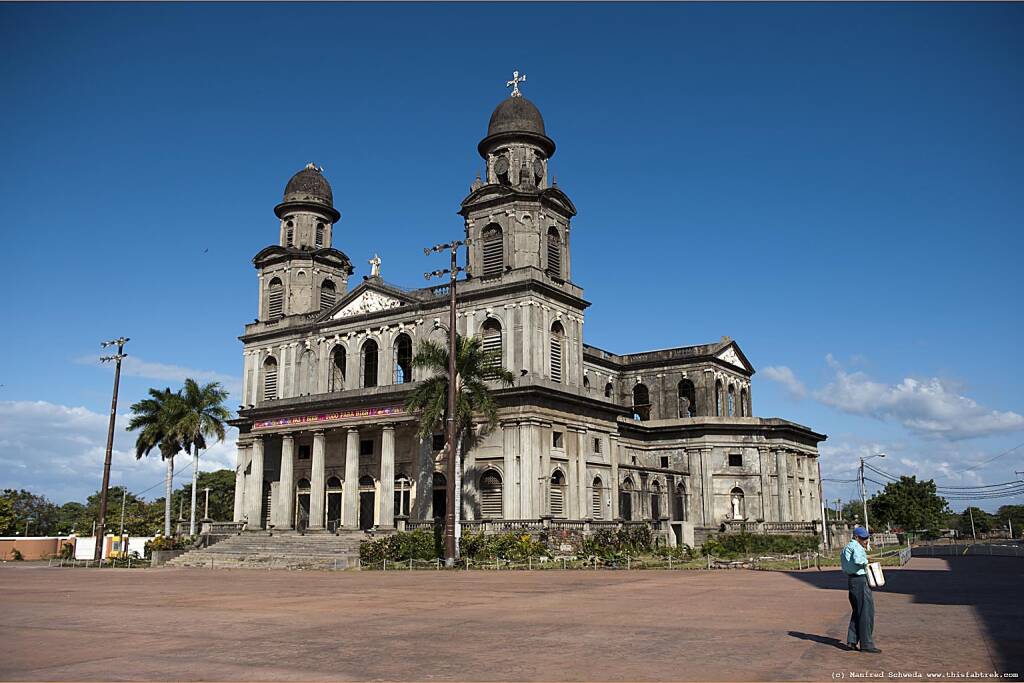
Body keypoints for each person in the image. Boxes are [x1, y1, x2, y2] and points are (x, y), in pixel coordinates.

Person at [841, 526, 881, 653]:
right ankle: (866, 644)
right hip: (860, 580)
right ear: (857, 537)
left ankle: (852, 640)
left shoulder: (846, 547)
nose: (866, 541)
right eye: (863, 538)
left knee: (857, 611)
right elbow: (859, 560)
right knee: (866, 613)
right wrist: (866, 560)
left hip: (852, 580)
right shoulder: (857, 547)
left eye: (867, 538)